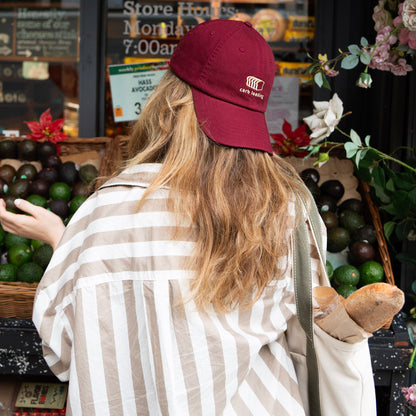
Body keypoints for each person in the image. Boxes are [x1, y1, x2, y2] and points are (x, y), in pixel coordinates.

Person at [1, 19, 398, 415]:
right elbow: (307, 330)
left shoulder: (102, 215)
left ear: (171, 101)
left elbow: (65, 351)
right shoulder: (286, 212)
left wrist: (63, 239)